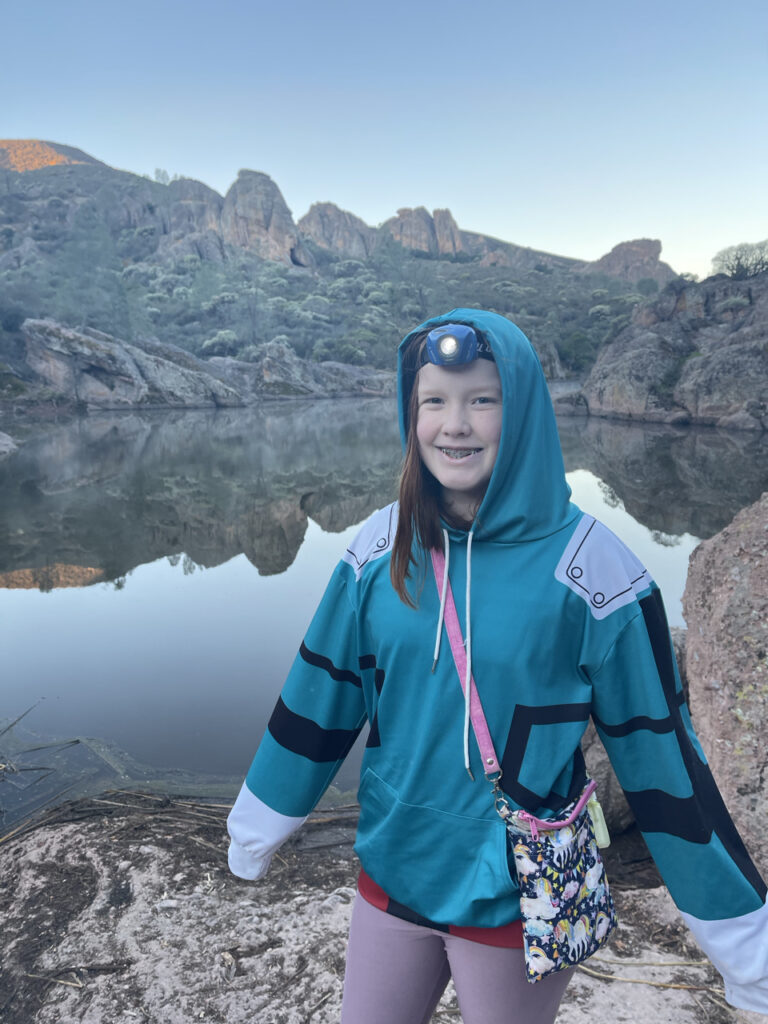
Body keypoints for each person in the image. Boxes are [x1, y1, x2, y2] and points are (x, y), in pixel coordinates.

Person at [228, 309, 768, 1023]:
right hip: (391, 873)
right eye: (434, 401)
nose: (455, 424)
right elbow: (319, 693)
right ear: (409, 411)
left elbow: (661, 760)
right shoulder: (379, 546)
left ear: (525, 412)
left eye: (483, 399)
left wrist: (742, 942)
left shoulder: (597, 572)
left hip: (518, 898)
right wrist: (258, 825)